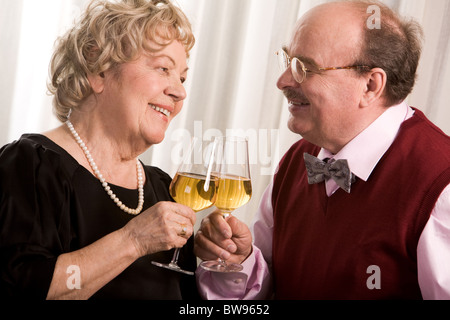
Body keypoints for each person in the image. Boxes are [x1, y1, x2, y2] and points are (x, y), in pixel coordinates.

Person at [194, 0, 450, 300]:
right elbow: (261, 292)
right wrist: (239, 261)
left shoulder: (440, 184)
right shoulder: (297, 159)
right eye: (288, 61)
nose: (283, 81)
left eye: (305, 67)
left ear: (370, 85)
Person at [0, 0, 199, 300]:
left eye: (181, 77)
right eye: (163, 68)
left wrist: (219, 265)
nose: (180, 91)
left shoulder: (163, 189)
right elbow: (25, 288)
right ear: (100, 70)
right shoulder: (29, 167)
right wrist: (133, 241)